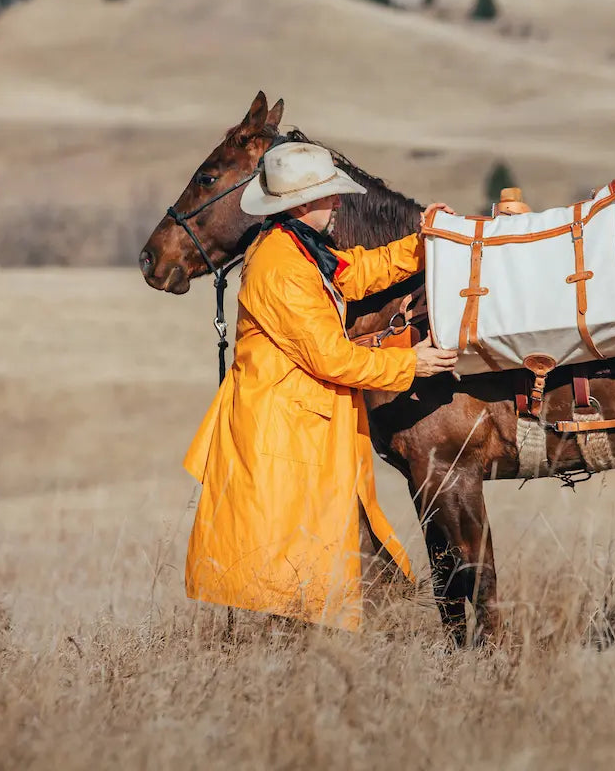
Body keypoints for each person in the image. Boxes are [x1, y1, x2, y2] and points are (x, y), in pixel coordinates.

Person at [183, 141, 458, 631]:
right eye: (330, 196)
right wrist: (409, 363)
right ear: (302, 204)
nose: (338, 204)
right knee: (294, 575)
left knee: (316, 571)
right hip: (283, 439)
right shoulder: (281, 267)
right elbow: (332, 357)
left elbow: (357, 275)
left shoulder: (300, 250)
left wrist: (423, 242)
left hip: (299, 432)